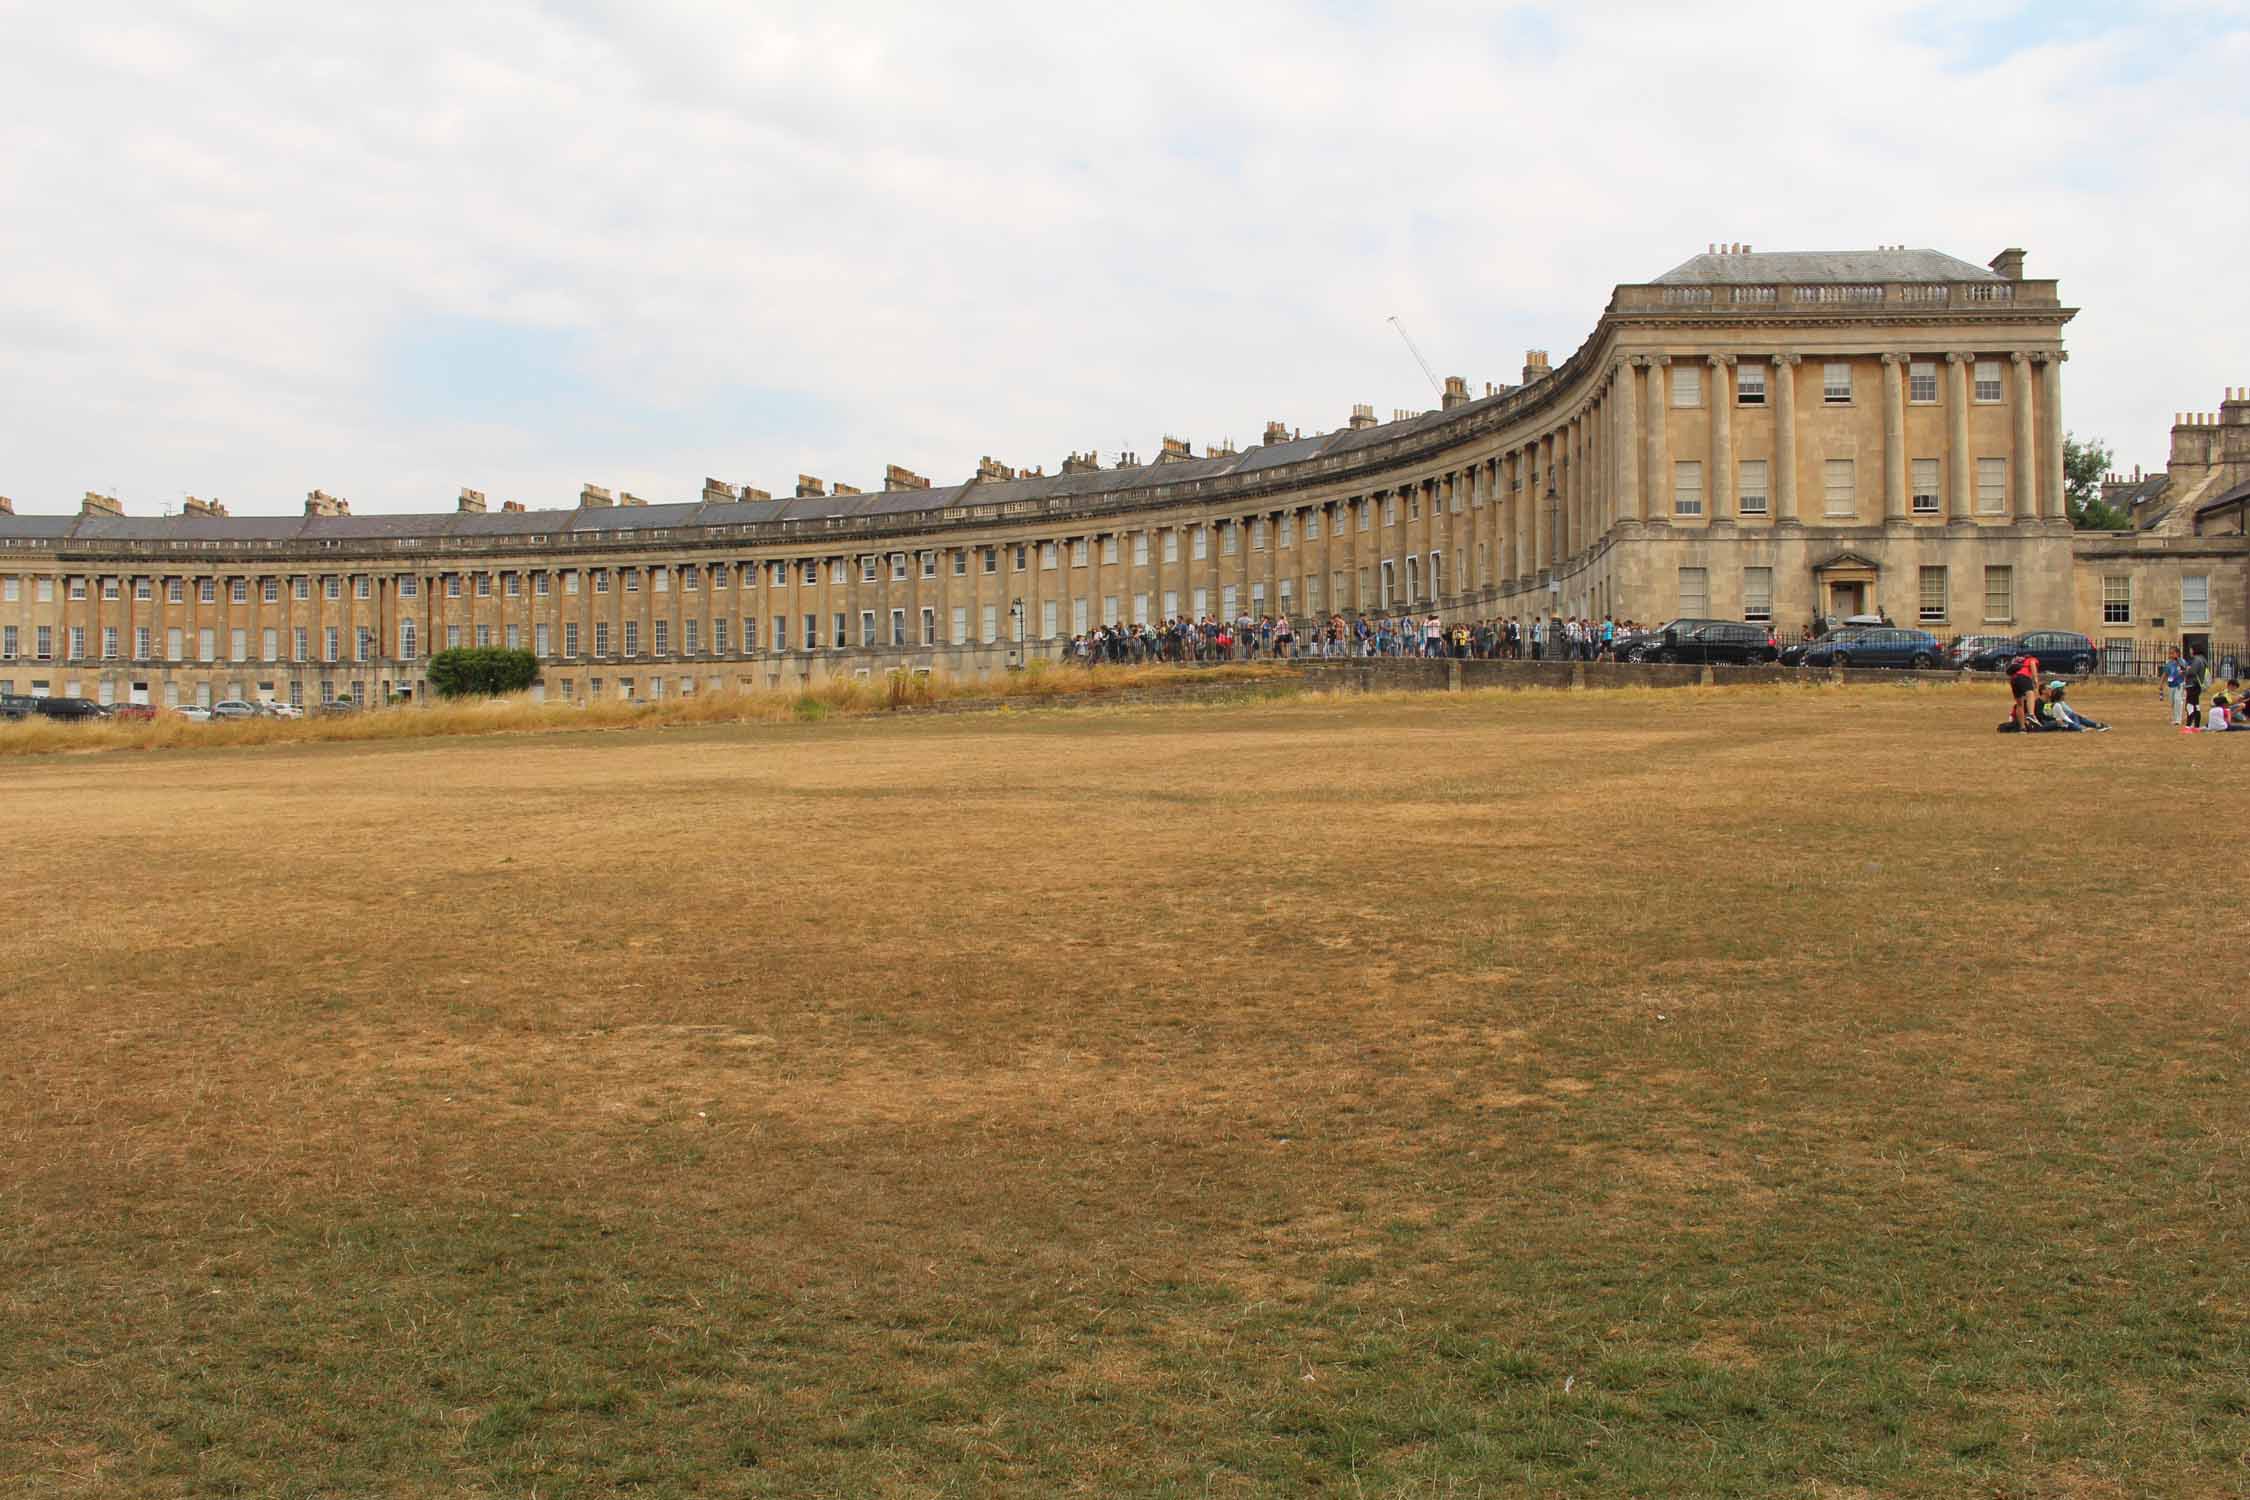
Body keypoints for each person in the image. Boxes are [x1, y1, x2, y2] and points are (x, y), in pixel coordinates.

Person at [2044, 681, 2109, 732]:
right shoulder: (2058, 703)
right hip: (2062, 722)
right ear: (2057, 691)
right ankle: (2087, 727)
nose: (2063, 690)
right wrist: (2079, 716)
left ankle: (2096, 725)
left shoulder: (2056, 702)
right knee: (2074, 715)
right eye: (2061, 688)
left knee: (2076, 716)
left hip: (2062, 721)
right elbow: (2069, 713)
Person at [2006, 652, 2040, 732]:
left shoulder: (2019, 661)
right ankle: (2031, 714)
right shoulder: (2032, 659)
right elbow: (2032, 664)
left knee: (2019, 704)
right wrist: (2035, 680)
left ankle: (2022, 728)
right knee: (2030, 694)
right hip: (2023, 676)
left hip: (2014, 679)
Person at [2162, 648, 2186, 725]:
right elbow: (2165, 673)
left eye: (2172, 653)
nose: (2170, 655)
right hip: (2171, 685)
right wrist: (2161, 684)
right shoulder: (2168, 663)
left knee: (2178, 700)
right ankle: (2175, 718)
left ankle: (2178, 720)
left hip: (2179, 684)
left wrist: (2179, 662)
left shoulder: (2182, 661)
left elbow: (2185, 670)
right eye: (2170, 653)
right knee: (2172, 702)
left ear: (2177, 653)